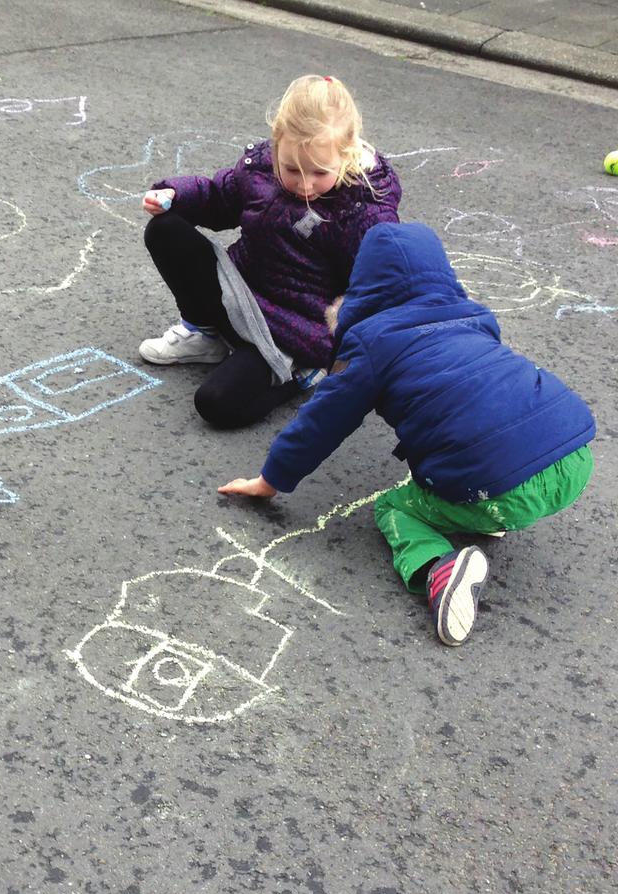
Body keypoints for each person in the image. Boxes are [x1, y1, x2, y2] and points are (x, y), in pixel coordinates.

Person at [218, 222, 595, 646]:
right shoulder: (474, 316)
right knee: (495, 443)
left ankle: (438, 567)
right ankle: (491, 508)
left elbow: (321, 422)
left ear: (364, 286)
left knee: (394, 507)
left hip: (498, 482)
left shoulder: (372, 341)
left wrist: (271, 480)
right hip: (576, 455)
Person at [138, 74, 401, 428]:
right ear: (277, 144)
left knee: (216, 404)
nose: (304, 184)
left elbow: (374, 286)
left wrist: (344, 354)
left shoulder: (362, 210)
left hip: (293, 331)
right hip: (239, 294)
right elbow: (221, 197)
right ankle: (205, 333)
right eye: (292, 169)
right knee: (166, 227)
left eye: (319, 173)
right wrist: (174, 195)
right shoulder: (262, 168)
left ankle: (303, 374)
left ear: (347, 154)